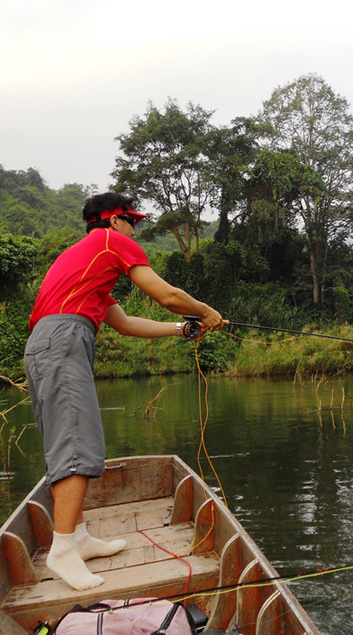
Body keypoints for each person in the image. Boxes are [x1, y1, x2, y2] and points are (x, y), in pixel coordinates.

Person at [23, 192, 224, 591]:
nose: (136, 230)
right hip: (64, 340)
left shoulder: (86, 265)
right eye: (133, 222)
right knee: (77, 442)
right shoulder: (113, 241)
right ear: (115, 220)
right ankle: (62, 551)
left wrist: (183, 329)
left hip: (51, 342)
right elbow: (166, 295)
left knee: (70, 437)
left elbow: (125, 322)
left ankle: (77, 537)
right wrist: (204, 311)